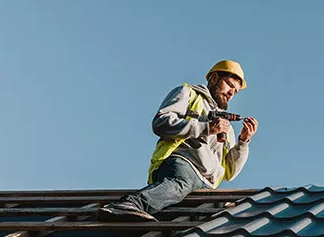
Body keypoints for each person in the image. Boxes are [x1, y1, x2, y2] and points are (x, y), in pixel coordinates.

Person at [99, 60, 258, 221]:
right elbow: (161, 123)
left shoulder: (227, 128)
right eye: (229, 85)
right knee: (182, 183)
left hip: (207, 184)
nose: (231, 92)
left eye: (235, 91)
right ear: (214, 78)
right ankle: (130, 204)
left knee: (216, 212)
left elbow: (230, 172)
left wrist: (243, 142)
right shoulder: (188, 94)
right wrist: (207, 128)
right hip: (183, 165)